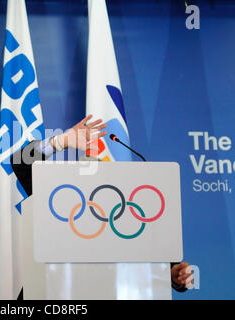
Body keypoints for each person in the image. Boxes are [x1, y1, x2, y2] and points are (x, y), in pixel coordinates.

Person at [10, 114, 193, 292]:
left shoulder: (129, 217)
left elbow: (166, 266)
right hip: (52, 291)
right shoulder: (58, 196)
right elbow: (20, 163)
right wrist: (61, 141)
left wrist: (174, 275)